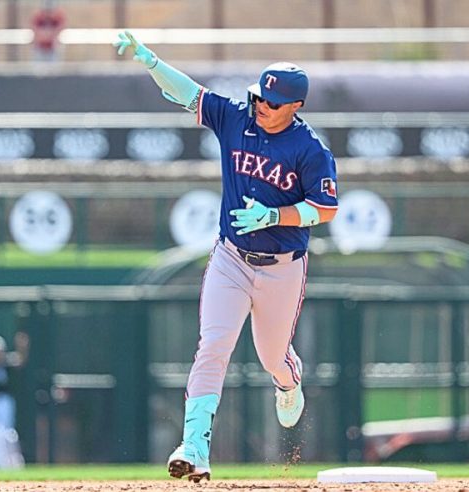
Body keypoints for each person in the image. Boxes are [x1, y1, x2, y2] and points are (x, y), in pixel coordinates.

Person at [114, 31, 339, 482]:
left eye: (272, 103)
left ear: (295, 106)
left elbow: (326, 207)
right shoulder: (237, 119)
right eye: (259, 97)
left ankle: (288, 379)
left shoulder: (309, 149)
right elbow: (190, 94)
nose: (261, 106)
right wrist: (150, 60)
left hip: (281, 269)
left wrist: (274, 214)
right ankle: (194, 446)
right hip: (231, 258)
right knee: (212, 347)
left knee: (272, 356)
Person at [0, 332, 29, 468]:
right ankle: (0, 464)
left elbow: (20, 360)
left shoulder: (7, 363)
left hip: (4, 401)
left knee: (7, 432)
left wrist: (22, 347)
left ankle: (15, 462)